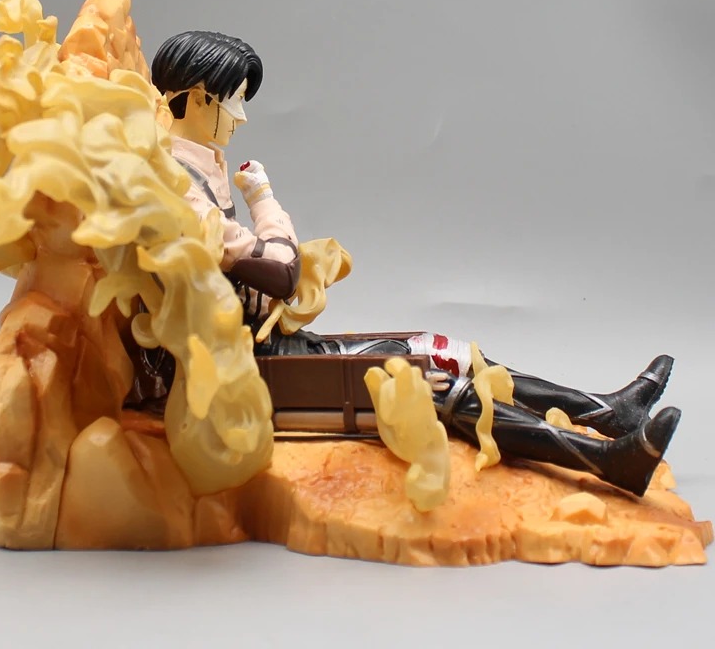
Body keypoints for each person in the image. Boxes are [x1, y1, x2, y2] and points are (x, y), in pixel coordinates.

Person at [134, 29, 681, 497]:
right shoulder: (177, 186)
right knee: (426, 385)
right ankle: (605, 461)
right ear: (200, 97)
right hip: (228, 374)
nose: (242, 116)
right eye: (235, 100)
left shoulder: (201, 170)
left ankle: (606, 411)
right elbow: (282, 273)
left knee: (439, 349)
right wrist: (265, 203)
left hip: (262, 344)